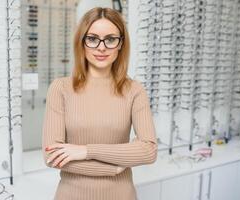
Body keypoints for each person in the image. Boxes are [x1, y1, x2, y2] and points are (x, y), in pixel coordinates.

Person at [42, 7, 158, 200]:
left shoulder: (134, 90)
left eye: (111, 39)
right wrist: (114, 167)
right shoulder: (60, 88)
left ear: (121, 43)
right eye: (93, 38)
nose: (101, 47)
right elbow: (52, 156)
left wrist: (85, 151)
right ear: (82, 42)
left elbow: (148, 150)